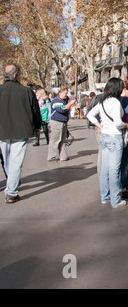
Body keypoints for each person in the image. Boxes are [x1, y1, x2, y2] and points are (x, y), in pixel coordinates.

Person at [0, 64, 42, 203]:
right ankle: (11, 190)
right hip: (21, 129)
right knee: (15, 161)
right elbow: (35, 110)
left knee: (7, 160)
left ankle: (11, 184)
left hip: (2, 130)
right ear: (18, 75)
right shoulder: (27, 91)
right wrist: (37, 126)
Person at [87, 78, 128, 209]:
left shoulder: (102, 102)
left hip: (105, 136)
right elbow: (117, 122)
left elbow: (90, 115)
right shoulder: (115, 102)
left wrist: (101, 127)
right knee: (114, 170)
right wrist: (125, 125)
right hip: (115, 137)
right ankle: (115, 200)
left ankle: (104, 197)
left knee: (105, 169)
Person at [47, 86, 76, 161]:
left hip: (63, 122)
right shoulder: (56, 100)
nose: (66, 94)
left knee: (63, 140)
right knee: (55, 140)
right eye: (65, 93)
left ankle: (63, 156)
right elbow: (62, 109)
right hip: (56, 122)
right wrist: (70, 104)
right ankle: (52, 156)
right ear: (60, 92)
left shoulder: (65, 100)